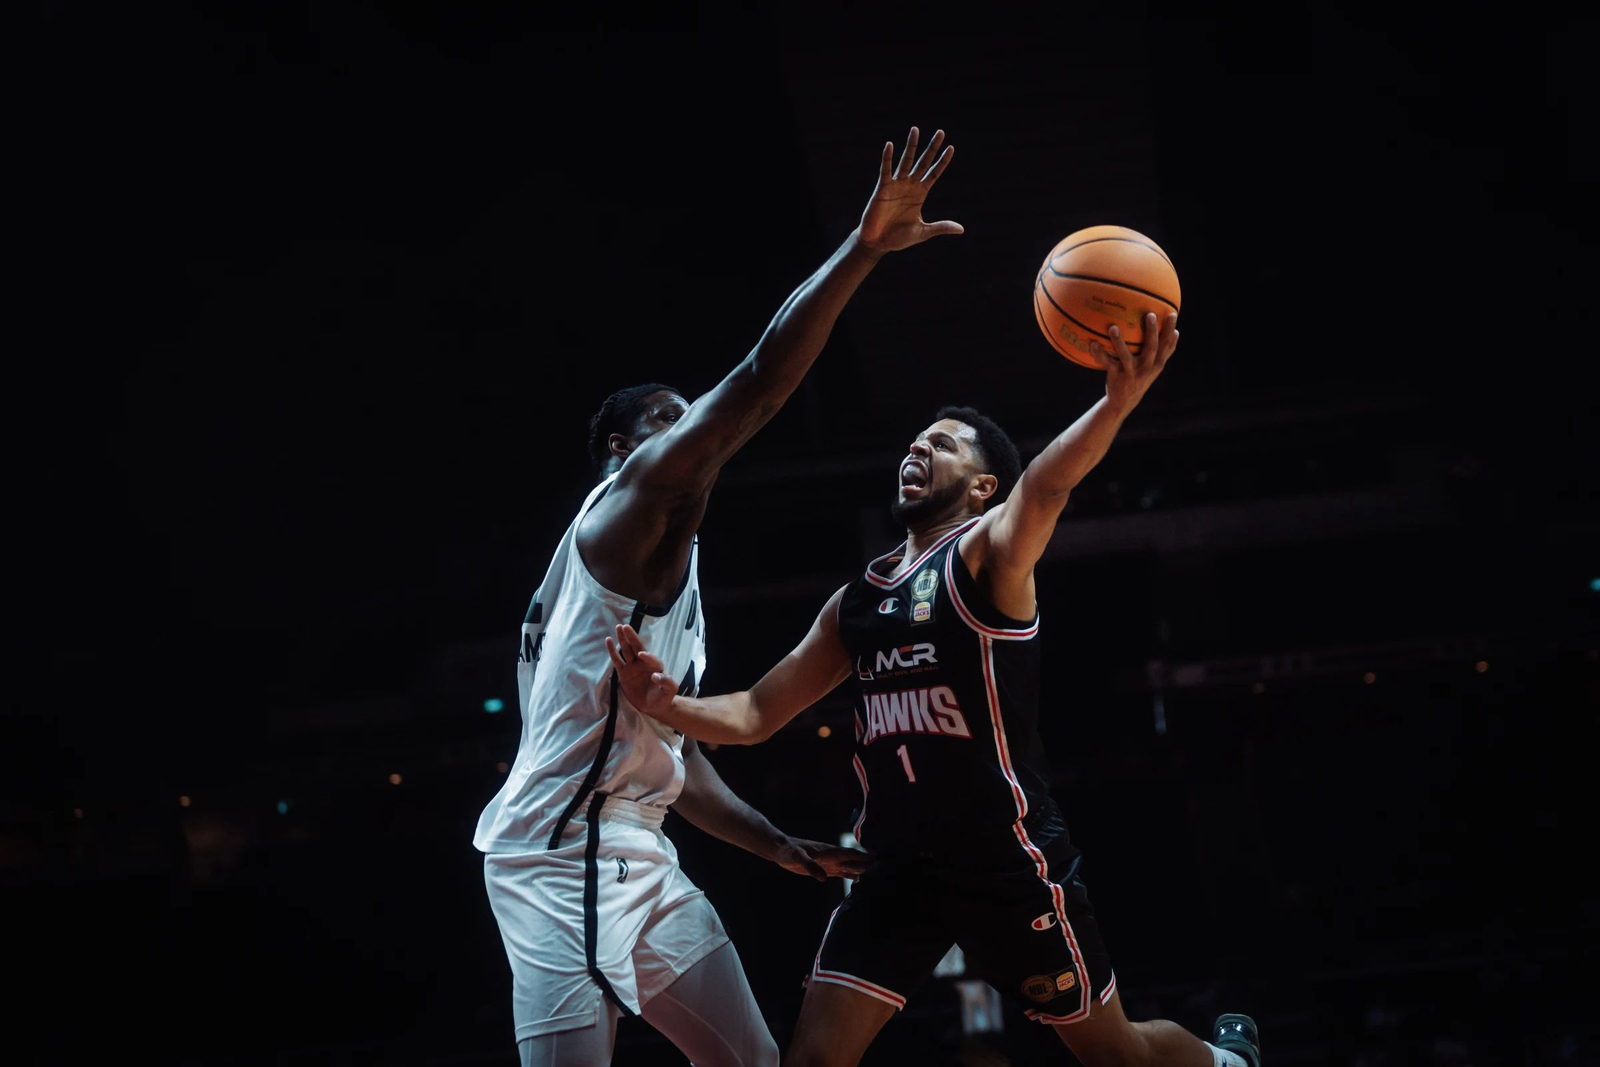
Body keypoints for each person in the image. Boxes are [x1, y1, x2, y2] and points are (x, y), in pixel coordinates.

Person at [605, 315, 1264, 1067]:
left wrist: (1115, 403)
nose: (917, 449)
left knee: (1117, 1056)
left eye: (942, 444)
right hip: (898, 868)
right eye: (915, 442)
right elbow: (756, 712)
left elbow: (1047, 483)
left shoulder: (988, 555)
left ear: (984, 488)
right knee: (812, 1060)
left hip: (1004, 861)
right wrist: (668, 706)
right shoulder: (857, 600)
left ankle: (1225, 1062)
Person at [473, 127, 963, 1067]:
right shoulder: (624, 517)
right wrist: (862, 250)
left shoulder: (666, 563)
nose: (692, 428)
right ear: (622, 454)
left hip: (637, 844)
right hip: (557, 856)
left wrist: (776, 844)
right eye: (670, 420)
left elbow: (676, 758)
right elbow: (759, 386)